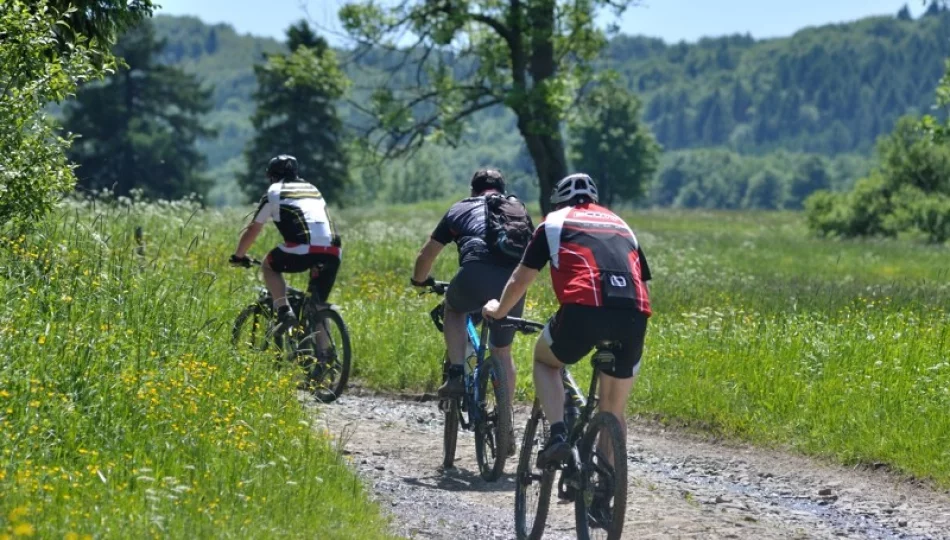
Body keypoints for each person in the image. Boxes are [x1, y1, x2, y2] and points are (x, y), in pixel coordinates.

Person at [482, 173, 651, 469]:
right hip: (635, 313)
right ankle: (603, 493)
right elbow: (642, 280)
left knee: (546, 361)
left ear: (558, 201)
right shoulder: (621, 225)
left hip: (583, 308)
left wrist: (499, 310)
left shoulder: (554, 222)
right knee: (613, 410)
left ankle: (558, 435)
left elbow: (521, 279)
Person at [410, 168, 532, 423]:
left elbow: (427, 254)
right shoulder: (517, 209)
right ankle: (505, 421)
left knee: (454, 309)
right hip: (513, 283)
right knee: (502, 351)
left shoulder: (459, 209)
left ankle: (456, 373)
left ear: (472, 190)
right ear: (502, 189)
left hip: (474, 273)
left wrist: (419, 282)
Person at [229, 154, 342, 333]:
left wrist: (238, 256)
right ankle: (324, 357)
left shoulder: (273, 192)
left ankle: (284, 310)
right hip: (333, 250)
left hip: (304, 247)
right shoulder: (312, 189)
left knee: (268, 265)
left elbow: (253, 229)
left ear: (271, 176)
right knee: (316, 306)